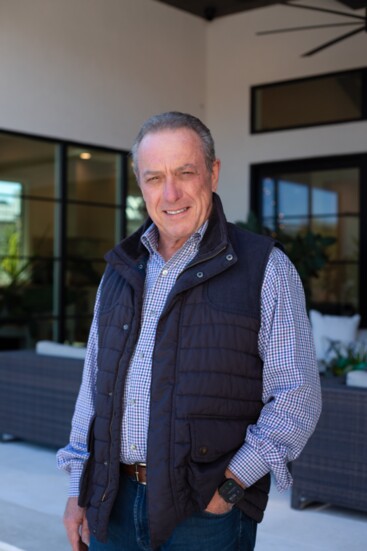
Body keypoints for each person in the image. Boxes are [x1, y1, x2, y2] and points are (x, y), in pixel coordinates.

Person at [57, 111, 322, 551]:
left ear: (213, 173)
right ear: (140, 185)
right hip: (110, 503)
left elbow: (297, 398)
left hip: (205, 515)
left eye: (185, 172)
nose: (171, 193)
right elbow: (92, 388)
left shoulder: (264, 267)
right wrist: (76, 489)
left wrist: (229, 490)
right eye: (154, 178)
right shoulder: (118, 271)